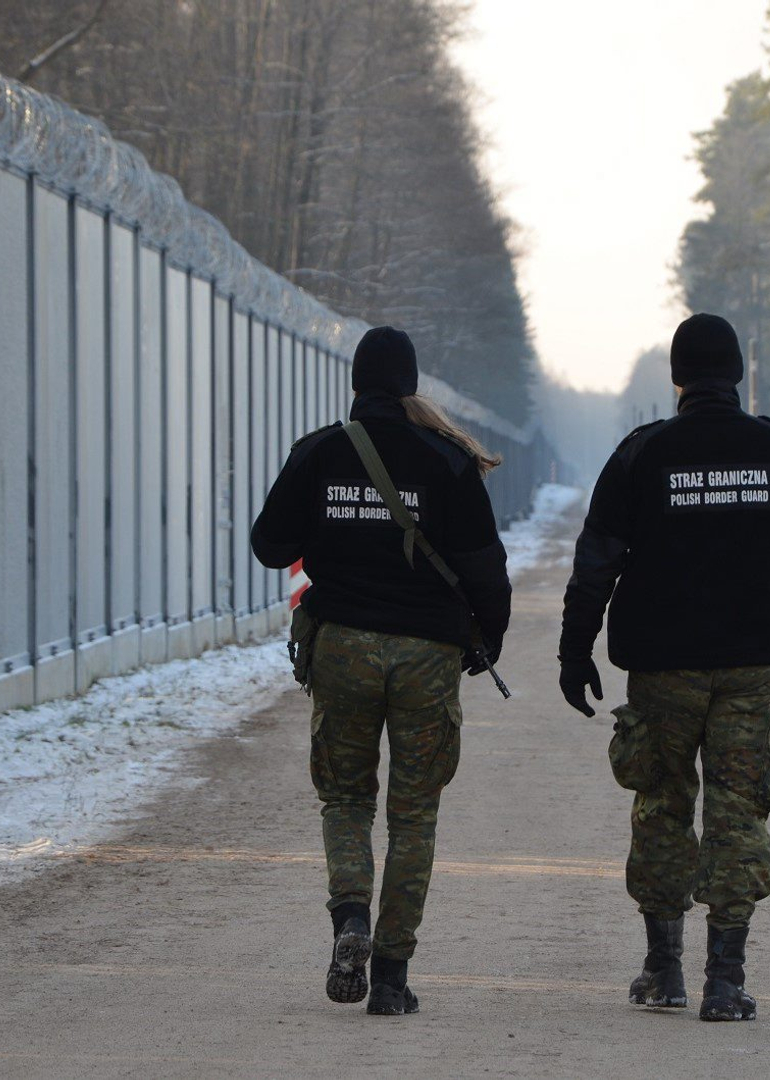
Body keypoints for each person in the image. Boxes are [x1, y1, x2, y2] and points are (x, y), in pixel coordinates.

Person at [557, 313, 770, 1022]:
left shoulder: (642, 453)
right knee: (739, 810)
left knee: (662, 803)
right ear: (738, 373)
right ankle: (725, 980)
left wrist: (575, 649)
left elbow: (596, 561)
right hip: (754, 662)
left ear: (677, 377)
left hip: (663, 665)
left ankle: (663, 970)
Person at [252, 326, 512, 1016]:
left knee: (345, 800)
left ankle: (350, 920)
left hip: (342, 648)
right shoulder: (447, 458)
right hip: (427, 654)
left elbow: (269, 544)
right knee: (414, 815)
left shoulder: (318, 452)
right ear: (410, 385)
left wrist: (329, 525)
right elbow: (486, 568)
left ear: (355, 382)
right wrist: (487, 640)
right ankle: (392, 979)